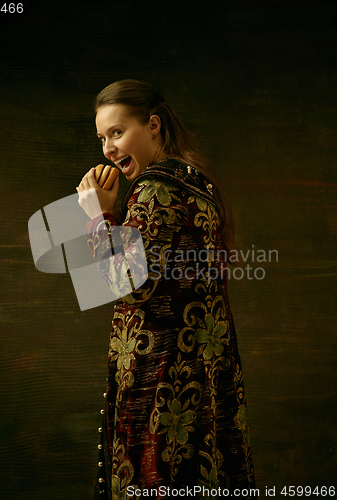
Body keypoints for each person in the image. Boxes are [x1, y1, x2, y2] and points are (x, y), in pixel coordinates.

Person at [77, 80, 256, 499]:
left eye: (118, 133)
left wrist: (98, 216)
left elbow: (127, 285)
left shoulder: (156, 188)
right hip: (205, 374)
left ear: (153, 125)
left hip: (160, 384)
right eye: (102, 138)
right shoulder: (198, 184)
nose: (107, 148)